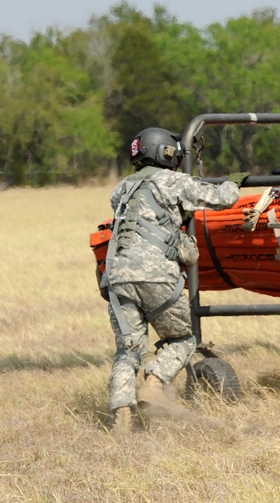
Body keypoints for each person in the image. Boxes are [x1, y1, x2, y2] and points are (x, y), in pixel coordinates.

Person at [103, 127, 242, 436]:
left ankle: (122, 421)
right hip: (158, 277)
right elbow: (223, 198)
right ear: (167, 152)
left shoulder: (121, 188)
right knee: (183, 339)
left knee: (128, 350)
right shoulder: (174, 182)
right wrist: (234, 181)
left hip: (116, 278)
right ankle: (153, 385)